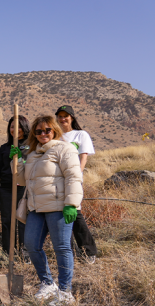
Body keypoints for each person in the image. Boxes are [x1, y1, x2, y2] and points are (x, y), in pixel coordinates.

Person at [11, 116, 83, 306]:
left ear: (55, 130)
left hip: (58, 206)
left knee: (62, 247)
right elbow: (21, 180)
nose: (43, 134)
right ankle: (47, 283)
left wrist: (71, 203)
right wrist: (17, 161)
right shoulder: (33, 154)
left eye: (47, 130)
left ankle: (65, 292)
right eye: (39, 131)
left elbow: (73, 176)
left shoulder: (64, 149)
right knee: (31, 245)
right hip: (36, 207)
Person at [55, 105, 98, 263]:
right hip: (57, 181)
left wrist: (76, 175)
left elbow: (83, 157)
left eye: (65, 116)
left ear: (72, 117)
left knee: (75, 213)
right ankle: (70, 251)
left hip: (72, 180)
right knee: (60, 214)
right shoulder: (55, 137)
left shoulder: (80, 135)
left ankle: (88, 251)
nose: (63, 119)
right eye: (60, 116)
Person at [0, 116, 31, 259]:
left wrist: (21, 159)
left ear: (25, 127)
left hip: (24, 187)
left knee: (23, 220)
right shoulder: (5, 147)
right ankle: (8, 252)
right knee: (7, 220)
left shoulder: (31, 145)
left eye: (19, 126)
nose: (15, 130)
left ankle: (25, 253)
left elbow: (32, 164)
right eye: (12, 126)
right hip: (7, 188)